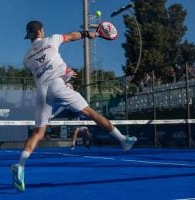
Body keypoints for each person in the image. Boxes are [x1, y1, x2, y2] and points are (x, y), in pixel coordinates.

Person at [11, 20, 137, 192]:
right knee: (91, 113)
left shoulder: (26, 58)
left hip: (41, 92)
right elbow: (71, 36)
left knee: (38, 132)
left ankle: (21, 165)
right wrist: (88, 34)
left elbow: (43, 71)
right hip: (57, 86)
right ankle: (123, 140)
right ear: (40, 31)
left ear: (29, 36)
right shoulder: (51, 39)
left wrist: (64, 74)